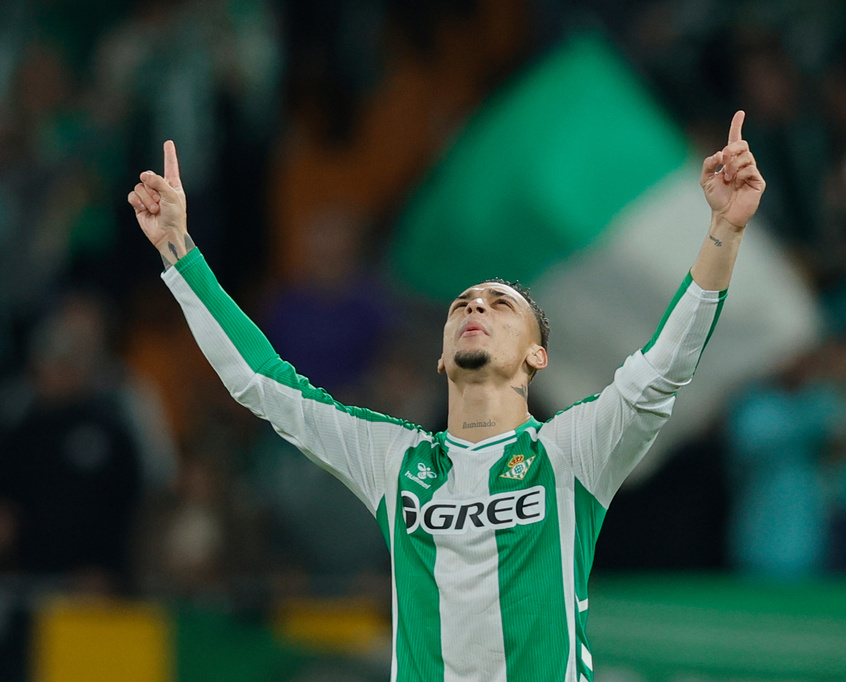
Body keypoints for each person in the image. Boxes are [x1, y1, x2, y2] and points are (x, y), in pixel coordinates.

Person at [127, 111, 764, 681]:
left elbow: (662, 370)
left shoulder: (571, 453)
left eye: (500, 304)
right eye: (462, 304)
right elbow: (261, 382)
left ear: (535, 357)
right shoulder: (395, 460)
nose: (474, 307)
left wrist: (724, 232)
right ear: (440, 356)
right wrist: (179, 251)